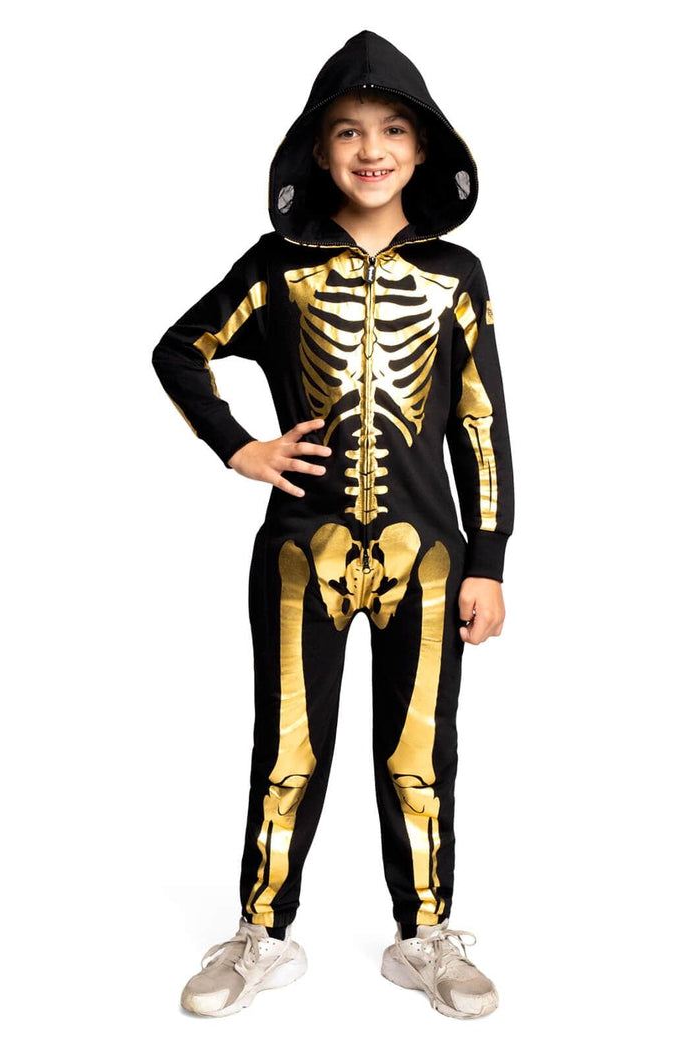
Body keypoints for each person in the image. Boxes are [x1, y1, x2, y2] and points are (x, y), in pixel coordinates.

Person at [152, 29, 514, 1020]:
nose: (370, 148)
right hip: (298, 551)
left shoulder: (456, 274)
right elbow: (180, 348)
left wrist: (489, 559)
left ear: (423, 148)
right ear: (318, 149)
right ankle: (261, 934)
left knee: (421, 750)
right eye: (347, 130)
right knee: (286, 748)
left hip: (428, 555)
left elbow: (481, 422)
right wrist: (238, 445)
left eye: (392, 129)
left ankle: (424, 933)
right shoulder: (278, 267)